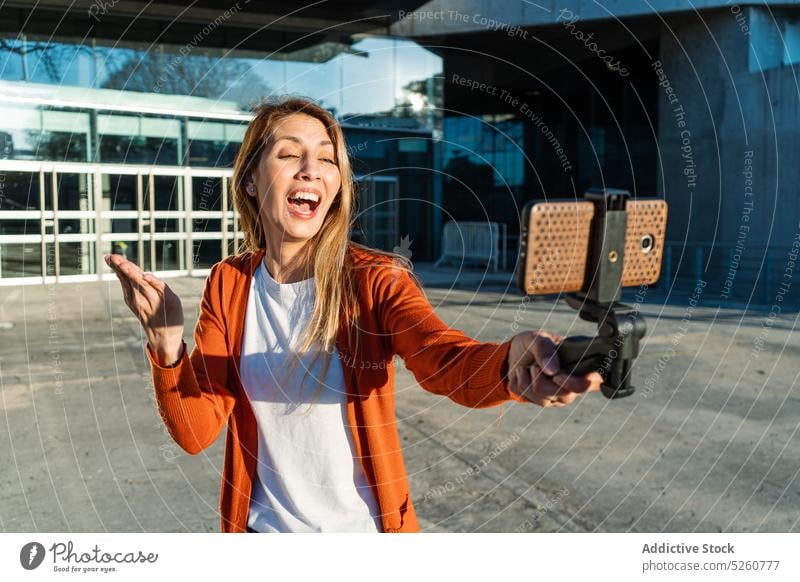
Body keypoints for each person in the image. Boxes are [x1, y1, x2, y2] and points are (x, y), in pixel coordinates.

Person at [105, 97, 602, 533]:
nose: (311, 169)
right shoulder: (228, 283)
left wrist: (508, 362)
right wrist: (166, 345)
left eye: (326, 158)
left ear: (337, 184)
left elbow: (441, 358)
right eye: (288, 155)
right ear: (252, 181)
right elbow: (196, 433)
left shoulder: (375, 279)